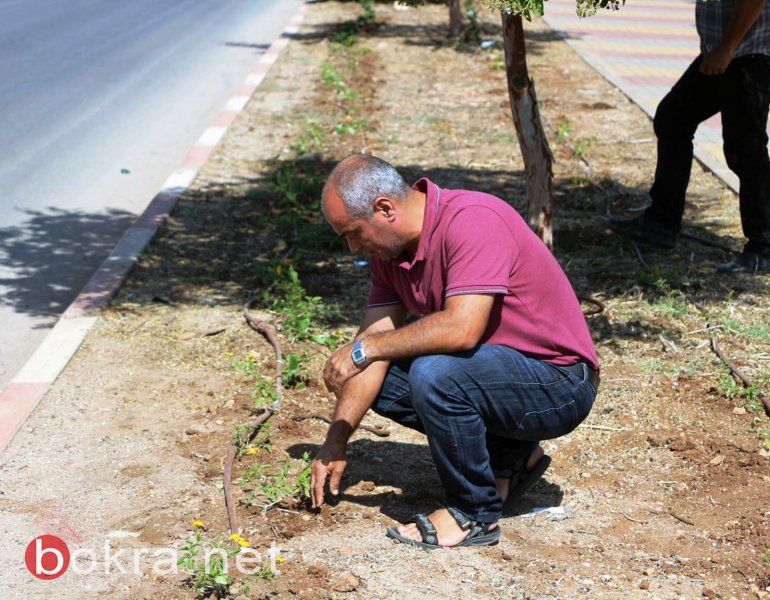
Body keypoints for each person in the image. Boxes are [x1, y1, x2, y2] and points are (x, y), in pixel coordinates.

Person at [310, 154, 599, 549]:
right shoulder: (392, 256)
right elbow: (371, 348)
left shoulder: (473, 219)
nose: (352, 247)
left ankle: (473, 513)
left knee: (434, 373)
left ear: (384, 209)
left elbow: (462, 330)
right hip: (498, 377)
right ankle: (511, 457)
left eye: (353, 233)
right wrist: (335, 441)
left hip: (560, 382)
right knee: (386, 379)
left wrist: (367, 349)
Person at [609, 0, 770, 275]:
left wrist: (726, 48)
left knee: (745, 149)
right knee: (673, 119)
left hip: (747, 53)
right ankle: (662, 220)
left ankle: (763, 248)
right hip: (720, 50)